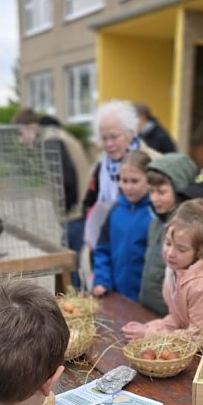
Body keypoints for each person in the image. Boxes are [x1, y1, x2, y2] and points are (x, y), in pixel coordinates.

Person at [123, 200, 203, 347]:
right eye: (168, 243)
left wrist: (150, 335)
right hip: (193, 346)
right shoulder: (178, 269)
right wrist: (150, 328)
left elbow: (199, 338)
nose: (170, 253)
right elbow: (179, 318)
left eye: (181, 249)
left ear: (201, 251)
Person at [12, 109, 91, 288]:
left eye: (20, 133)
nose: (20, 139)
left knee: (71, 262)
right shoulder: (56, 135)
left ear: (31, 127)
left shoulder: (51, 140)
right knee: (73, 258)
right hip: (78, 208)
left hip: (74, 212)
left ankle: (78, 299)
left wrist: (65, 208)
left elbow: (66, 178)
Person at [82, 100, 158, 254]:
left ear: (131, 133)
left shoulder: (153, 162)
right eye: (104, 138)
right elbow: (90, 202)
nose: (109, 144)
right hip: (107, 245)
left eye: (114, 137)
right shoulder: (101, 166)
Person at [138, 152, 198, 315]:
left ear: (180, 190)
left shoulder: (188, 230)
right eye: (151, 192)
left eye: (161, 192)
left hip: (170, 317)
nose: (154, 198)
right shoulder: (156, 222)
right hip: (147, 308)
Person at [91, 150, 153, 301]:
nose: (128, 187)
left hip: (145, 299)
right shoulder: (114, 210)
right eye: (124, 181)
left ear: (149, 180)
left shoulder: (154, 214)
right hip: (116, 294)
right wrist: (102, 280)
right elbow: (102, 250)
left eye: (135, 181)